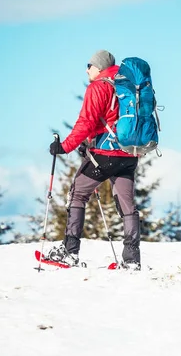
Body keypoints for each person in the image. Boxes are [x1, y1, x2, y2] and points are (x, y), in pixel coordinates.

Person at [49, 50, 141, 269]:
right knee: (128, 206)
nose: (86, 69)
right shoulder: (127, 86)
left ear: (99, 67)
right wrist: (88, 142)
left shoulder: (98, 87)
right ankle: (131, 260)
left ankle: (70, 252)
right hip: (129, 155)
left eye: (89, 65)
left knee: (77, 194)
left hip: (105, 156)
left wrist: (64, 147)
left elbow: (86, 122)